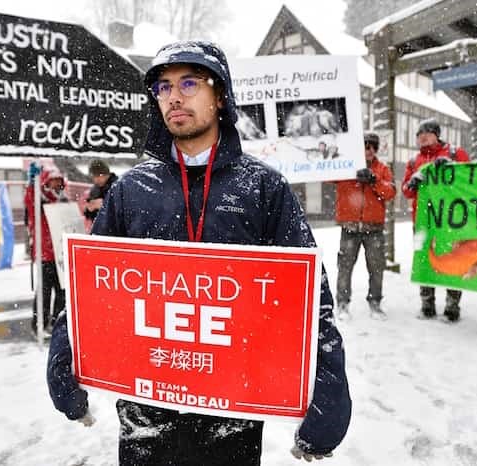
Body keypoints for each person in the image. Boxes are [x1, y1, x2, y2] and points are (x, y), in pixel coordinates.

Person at [47, 40, 351, 465]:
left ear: (220, 95)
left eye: (189, 83)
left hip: (232, 413)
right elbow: (89, 289)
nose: (174, 96)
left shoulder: (263, 189)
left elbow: (307, 302)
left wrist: (327, 409)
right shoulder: (131, 190)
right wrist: (64, 367)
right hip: (146, 410)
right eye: (164, 87)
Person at [402, 118, 470, 322]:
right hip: (423, 222)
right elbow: (406, 192)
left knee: (455, 259)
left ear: (437, 134)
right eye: (419, 133)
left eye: (428, 132)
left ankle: (452, 306)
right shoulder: (414, 162)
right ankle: (427, 304)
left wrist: (452, 168)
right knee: (424, 260)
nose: (422, 136)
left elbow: (469, 178)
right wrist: (412, 183)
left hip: (451, 220)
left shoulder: (454, 153)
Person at [334, 132, 396, 321]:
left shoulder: (382, 169)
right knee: (344, 267)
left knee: (376, 268)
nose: (369, 150)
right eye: (365, 146)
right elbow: (327, 175)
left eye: (372, 147)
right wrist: (339, 160)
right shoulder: (346, 165)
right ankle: (342, 304)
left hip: (374, 229)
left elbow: (390, 192)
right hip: (349, 228)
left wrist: (374, 180)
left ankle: (375, 302)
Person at [24, 166, 68, 334]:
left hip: (60, 255)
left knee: (62, 292)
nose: (56, 185)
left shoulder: (62, 200)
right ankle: (39, 325)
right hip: (44, 254)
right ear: (46, 182)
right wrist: (32, 183)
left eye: (59, 181)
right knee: (43, 292)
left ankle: (58, 323)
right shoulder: (38, 200)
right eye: (53, 181)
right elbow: (30, 198)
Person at [83, 159, 118, 224]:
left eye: (99, 175)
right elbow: (89, 216)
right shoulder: (95, 190)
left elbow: (123, 210)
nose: (96, 179)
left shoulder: (117, 186)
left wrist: (104, 205)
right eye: (94, 176)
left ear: (107, 174)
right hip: (99, 229)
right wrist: (89, 209)